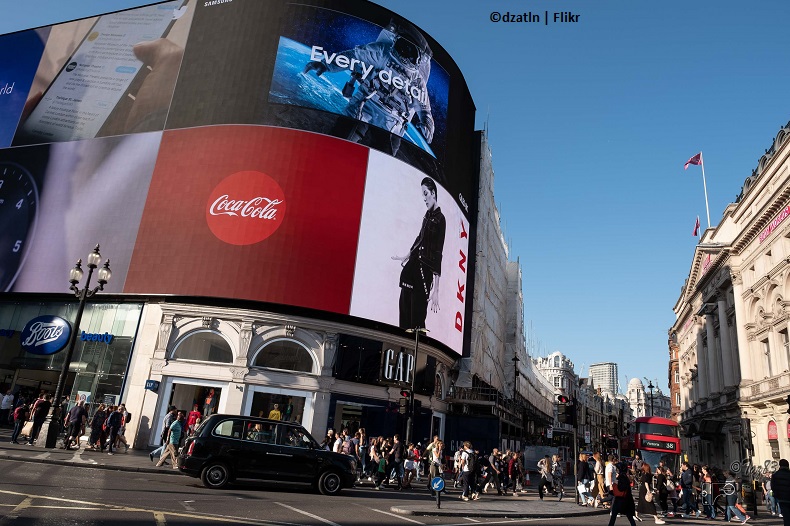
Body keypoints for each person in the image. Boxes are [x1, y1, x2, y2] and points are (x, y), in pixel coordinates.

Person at [302, 17, 435, 157]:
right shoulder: (382, 53)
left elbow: (424, 110)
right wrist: (326, 64)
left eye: (410, 51)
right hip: (366, 103)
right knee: (339, 142)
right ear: (397, 41)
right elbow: (354, 57)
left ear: (418, 59)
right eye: (403, 46)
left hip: (392, 119)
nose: (405, 55)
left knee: (384, 159)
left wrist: (427, 125)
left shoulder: (417, 81)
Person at [392, 176, 446, 331]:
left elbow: (438, 252)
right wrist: (406, 255)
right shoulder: (427, 216)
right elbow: (419, 237)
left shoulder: (441, 219)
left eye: (426, 193)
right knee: (404, 311)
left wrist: (436, 289)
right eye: (423, 194)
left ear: (433, 193)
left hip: (425, 271)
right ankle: (402, 345)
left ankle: (418, 352)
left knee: (417, 318)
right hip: (413, 267)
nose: (424, 198)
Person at [771, 458, 790, 525]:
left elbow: (773, 487)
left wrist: (777, 495)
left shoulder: (775, 475)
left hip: (782, 499)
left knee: (786, 517)